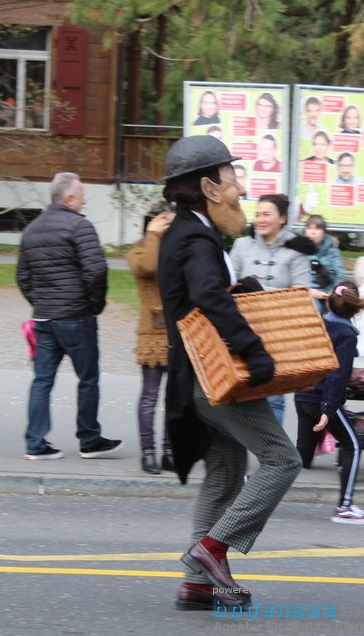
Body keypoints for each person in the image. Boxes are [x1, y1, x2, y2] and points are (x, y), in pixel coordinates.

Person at [157, 135, 299, 612]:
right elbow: (207, 297)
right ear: (208, 187)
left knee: (225, 471)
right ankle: (211, 550)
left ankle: (197, 585)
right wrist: (253, 350)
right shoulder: (196, 236)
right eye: (232, 176)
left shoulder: (186, 231)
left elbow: (209, 291)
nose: (240, 187)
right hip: (217, 376)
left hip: (196, 376)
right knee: (283, 460)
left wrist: (243, 288)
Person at [16, 172, 121, 461]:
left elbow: (22, 277)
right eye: (83, 194)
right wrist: (94, 305)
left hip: (44, 319)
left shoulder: (32, 230)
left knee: (42, 380)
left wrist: (40, 302)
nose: (86, 199)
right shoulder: (80, 226)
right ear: (70, 198)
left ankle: (35, 443)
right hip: (75, 316)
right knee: (87, 378)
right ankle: (88, 439)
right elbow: (97, 270)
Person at [294, 281, 364, 525]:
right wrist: (328, 409)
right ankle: (344, 507)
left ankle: (250, 483)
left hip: (303, 396)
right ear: (355, 310)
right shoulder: (345, 334)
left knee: (298, 458)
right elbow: (338, 374)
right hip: (322, 399)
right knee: (352, 444)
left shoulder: (318, 324)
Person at [230, 193, 313, 422]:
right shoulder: (241, 245)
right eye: (257, 214)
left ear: (282, 218)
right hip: (242, 326)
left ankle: (273, 454)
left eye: (267, 214)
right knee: (239, 388)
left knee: (273, 394)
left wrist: (257, 289)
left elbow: (301, 293)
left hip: (278, 331)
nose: (260, 219)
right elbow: (227, 284)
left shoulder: (296, 251)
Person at [127, 204, 176, 475]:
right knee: (150, 396)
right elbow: (149, 267)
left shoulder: (177, 252)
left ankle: (169, 451)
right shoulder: (137, 253)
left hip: (179, 331)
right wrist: (153, 235)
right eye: (163, 223)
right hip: (152, 333)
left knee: (175, 397)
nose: (168, 228)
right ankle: (148, 452)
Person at [304, 214, 345, 311]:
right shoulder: (299, 250)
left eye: (317, 229)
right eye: (309, 228)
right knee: (315, 308)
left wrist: (330, 292)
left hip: (328, 293)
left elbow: (340, 274)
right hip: (306, 293)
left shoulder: (333, 251)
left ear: (323, 233)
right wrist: (309, 291)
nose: (312, 232)